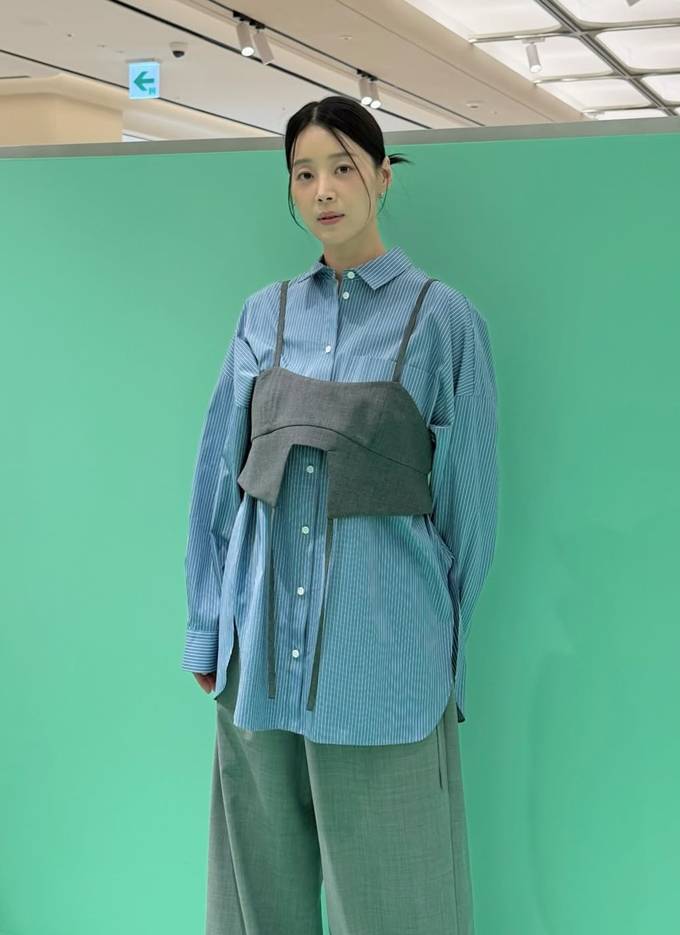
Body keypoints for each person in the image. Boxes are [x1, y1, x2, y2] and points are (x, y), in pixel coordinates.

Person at [181, 95, 498, 935]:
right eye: (304, 174)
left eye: (343, 168)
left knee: (403, 908)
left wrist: (443, 656)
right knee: (258, 907)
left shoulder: (443, 321)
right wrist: (207, 627)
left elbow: (470, 510)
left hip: (385, 670)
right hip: (258, 666)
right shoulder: (264, 315)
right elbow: (218, 478)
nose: (323, 190)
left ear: (382, 177)